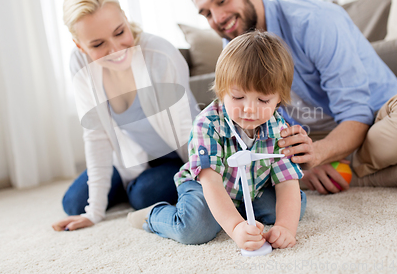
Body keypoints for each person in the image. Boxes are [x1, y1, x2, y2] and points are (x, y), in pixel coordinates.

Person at [188, 0, 397, 195]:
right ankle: (368, 171)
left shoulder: (314, 21)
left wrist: (317, 154)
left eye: (221, 1)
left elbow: (356, 114)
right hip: (311, 135)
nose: (218, 19)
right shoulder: (233, 46)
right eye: (207, 14)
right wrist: (301, 156)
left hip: (373, 124)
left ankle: (347, 169)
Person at [128, 31, 307, 251]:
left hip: (250, 189)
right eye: (238, 97)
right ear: (222, 92)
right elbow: (211, 183)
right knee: (195, 228)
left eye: (263, 99)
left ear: (279, 98)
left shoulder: (279, 129)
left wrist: (285, 228)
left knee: (296, 203)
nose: (249, 109)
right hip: (206, 187)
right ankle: (153, 217)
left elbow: (286, 182)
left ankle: (234, 212)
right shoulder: (207, 124)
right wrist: (235, 228)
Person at [52, 0, 199, 231]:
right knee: (74, 203)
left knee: (144, 196)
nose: (116, 50)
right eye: (98, 44)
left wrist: (205, 184)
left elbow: (184, 132)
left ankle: (136, 186)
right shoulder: (80, 64)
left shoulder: (159, 55)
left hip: (177, 155)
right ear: (80, 46)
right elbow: (96, 133)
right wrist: (94, 212)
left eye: (120, 32)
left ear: (126, 20)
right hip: (130, 156)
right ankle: (130, 183)